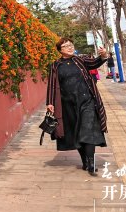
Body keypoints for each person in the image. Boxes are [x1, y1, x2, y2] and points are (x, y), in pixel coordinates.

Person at [46, 37, 109, 176]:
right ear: (60, 50)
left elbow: (95, 63)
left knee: (88, 130)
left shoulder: (81, 60)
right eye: (66, 46)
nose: (69, 47)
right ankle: (85, 162)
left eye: (71, 45)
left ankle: (91, 163)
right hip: (67, 104)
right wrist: (50, 102)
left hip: (87, 101)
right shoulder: (56, 65)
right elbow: (51, 84)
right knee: (77, 132)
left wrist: (103, 55)